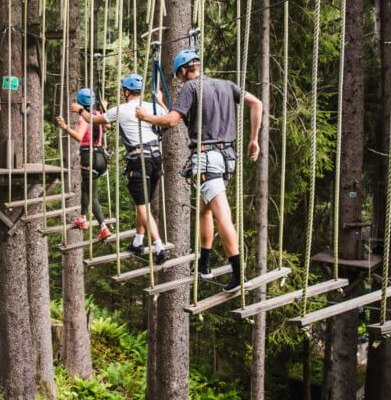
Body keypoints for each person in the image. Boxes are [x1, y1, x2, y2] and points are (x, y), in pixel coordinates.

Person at [135, 49, 262, 291]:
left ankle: (238, 275)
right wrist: (253, 139)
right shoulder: (225, 85)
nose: (180, 79)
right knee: (205, 209)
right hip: (227, 158)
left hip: (208, 158)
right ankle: (204, 263)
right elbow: (256, 103)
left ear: (183, 71)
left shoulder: (190, 88)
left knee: (222, 215)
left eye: (179, 74)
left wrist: (146, 117)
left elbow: (172, 121)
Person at [72, 73, 169, 265]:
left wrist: (80, 110)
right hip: (156, 159)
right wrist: (160, 101)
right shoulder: (152, 107)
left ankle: (159, 247)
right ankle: (138, 241)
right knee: (143, 205)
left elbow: (92, 119)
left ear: (126, 92)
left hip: (139, 160)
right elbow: (169, 119)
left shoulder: (121, 110)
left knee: (143, 207)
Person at [56, 88, 111, 241]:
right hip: (101, 158)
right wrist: (104, 109)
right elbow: (108, 126)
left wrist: (65, 128)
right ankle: (82, 217)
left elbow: (80, 137)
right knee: (85, 187)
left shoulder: (84, 119)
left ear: (80, 103)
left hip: (89, 158)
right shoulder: (97, 115)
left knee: (92, 195)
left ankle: (103, 227)